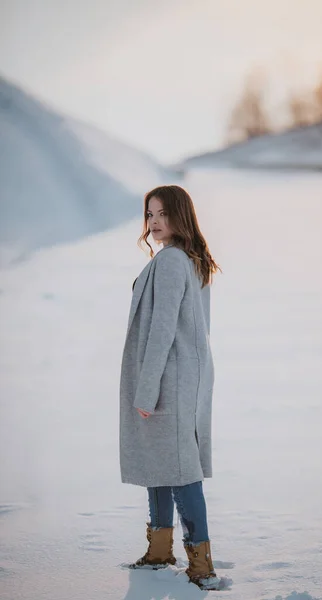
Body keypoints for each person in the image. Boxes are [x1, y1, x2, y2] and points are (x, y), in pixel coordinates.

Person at [119, 184, 222, 591]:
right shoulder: (192, 259)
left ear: (181, 215)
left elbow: (162, 331)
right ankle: (160, 551)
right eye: (149, 214)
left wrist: (147, 390)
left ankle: (201, 565)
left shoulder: (172, 262)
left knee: (180, 469)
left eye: (162, 213)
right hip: (185, 375)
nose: (155, 222)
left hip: (168, 378)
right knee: (162, 461)